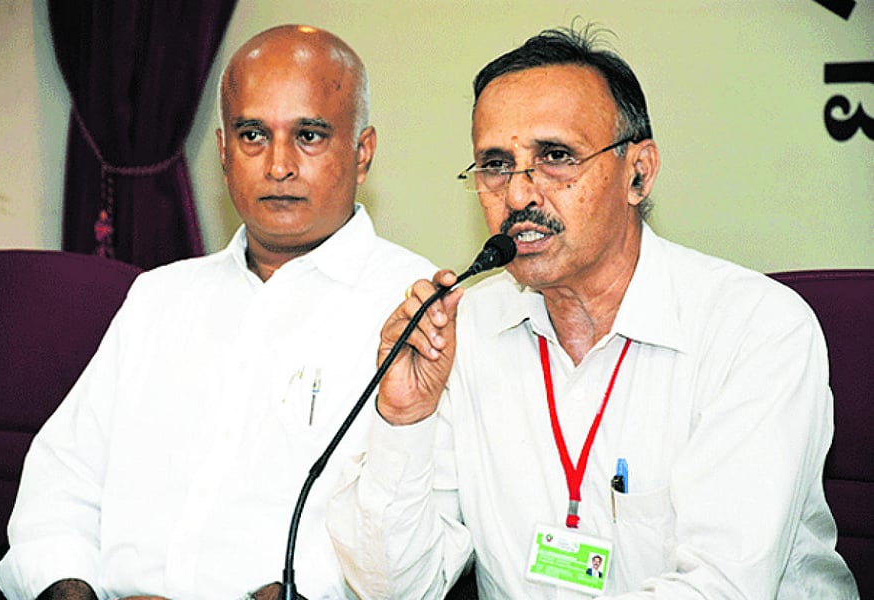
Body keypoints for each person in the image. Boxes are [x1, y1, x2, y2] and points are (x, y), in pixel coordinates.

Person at [327, 24, 860, 599]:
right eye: (496, 164)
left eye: (555, 157)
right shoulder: (465, 335)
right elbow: (392, 588)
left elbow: (718, 589)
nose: (518, 196)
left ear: (639, 172)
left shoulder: (755, 331)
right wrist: (403, 420)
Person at [0, 24, 434, 600]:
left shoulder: (416, 309)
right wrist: (72, 591)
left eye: (309, 135)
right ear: (224, 154)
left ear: (362, 151)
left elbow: (418, 559)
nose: (279, 165)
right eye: (253, 134)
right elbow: (60, 486)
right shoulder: (159, 297)